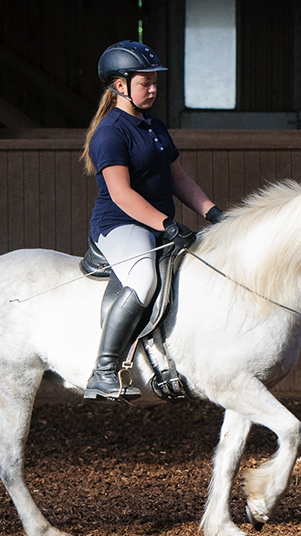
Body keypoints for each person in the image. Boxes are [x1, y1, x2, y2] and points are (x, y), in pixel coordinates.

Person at [81, 41, 223, 401]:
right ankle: (104, 371)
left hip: (157, 224)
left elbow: (179, 179)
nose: (154, 89)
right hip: (120, 224)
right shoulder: (111, 131)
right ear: (120, 86)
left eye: (155, 82)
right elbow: (121, 194)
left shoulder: (154, 127)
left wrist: (212, 212)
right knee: (143, 280)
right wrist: (166, 225)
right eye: (146, 83)